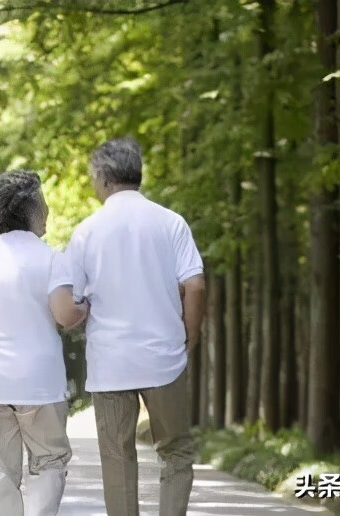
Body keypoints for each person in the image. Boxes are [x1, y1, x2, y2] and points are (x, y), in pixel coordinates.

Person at [63, 137, 206, 516]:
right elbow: (195, 285)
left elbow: (73, 302)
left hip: (111, 364)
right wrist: (190, 336)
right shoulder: (171, 222)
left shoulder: (85, 232)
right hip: (165, 359)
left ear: (103, 178)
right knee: (175, 452)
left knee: (116, 456)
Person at [0, 170, 87, 516]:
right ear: (32, 209)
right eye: (43, 202)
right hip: (39, 382)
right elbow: (65, 315)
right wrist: (86, 306)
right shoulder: (51, 257)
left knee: (1, 473)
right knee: (49, 462)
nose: (47, 210)